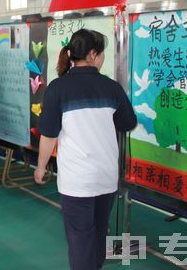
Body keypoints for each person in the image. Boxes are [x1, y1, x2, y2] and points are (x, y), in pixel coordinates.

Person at [34, 29, 137, 270]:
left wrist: (40, 167)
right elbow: (128, 122)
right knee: (99, 234)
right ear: (92, 55)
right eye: (101, 54)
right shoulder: (111, 88)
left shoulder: (58, 88)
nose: (101, 58)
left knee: (80, 239)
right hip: (106, 177)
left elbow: (48, 135)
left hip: (76, 180)